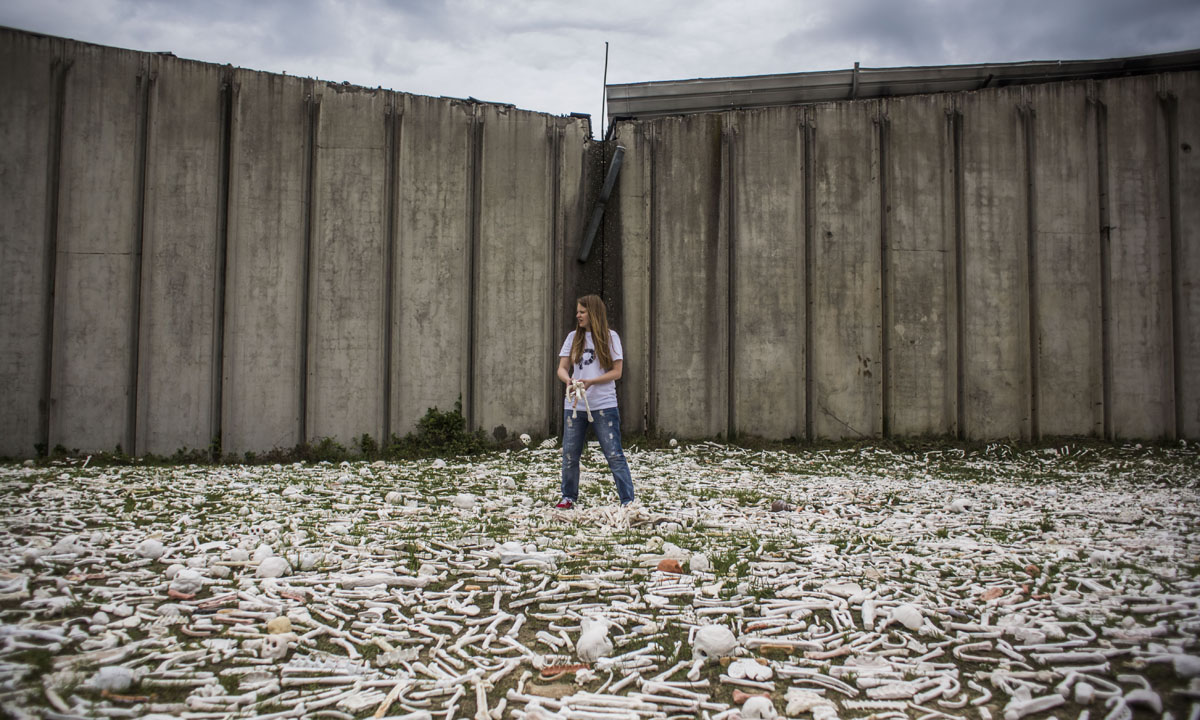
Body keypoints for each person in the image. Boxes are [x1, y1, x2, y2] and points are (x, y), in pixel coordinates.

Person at [555, 295, 635, 509]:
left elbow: (617, 372)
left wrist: (592, 382)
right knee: (570, 455)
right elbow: (562, 368)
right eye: (578, 312)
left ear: (593, 313)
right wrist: (568, 380)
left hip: (604, 405)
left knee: (614, 454)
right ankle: (568, 497)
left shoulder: (611, 337)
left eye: (582, 312)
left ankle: (627, 500)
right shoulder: (572, 337)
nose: (578, 315)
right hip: (575, 406)